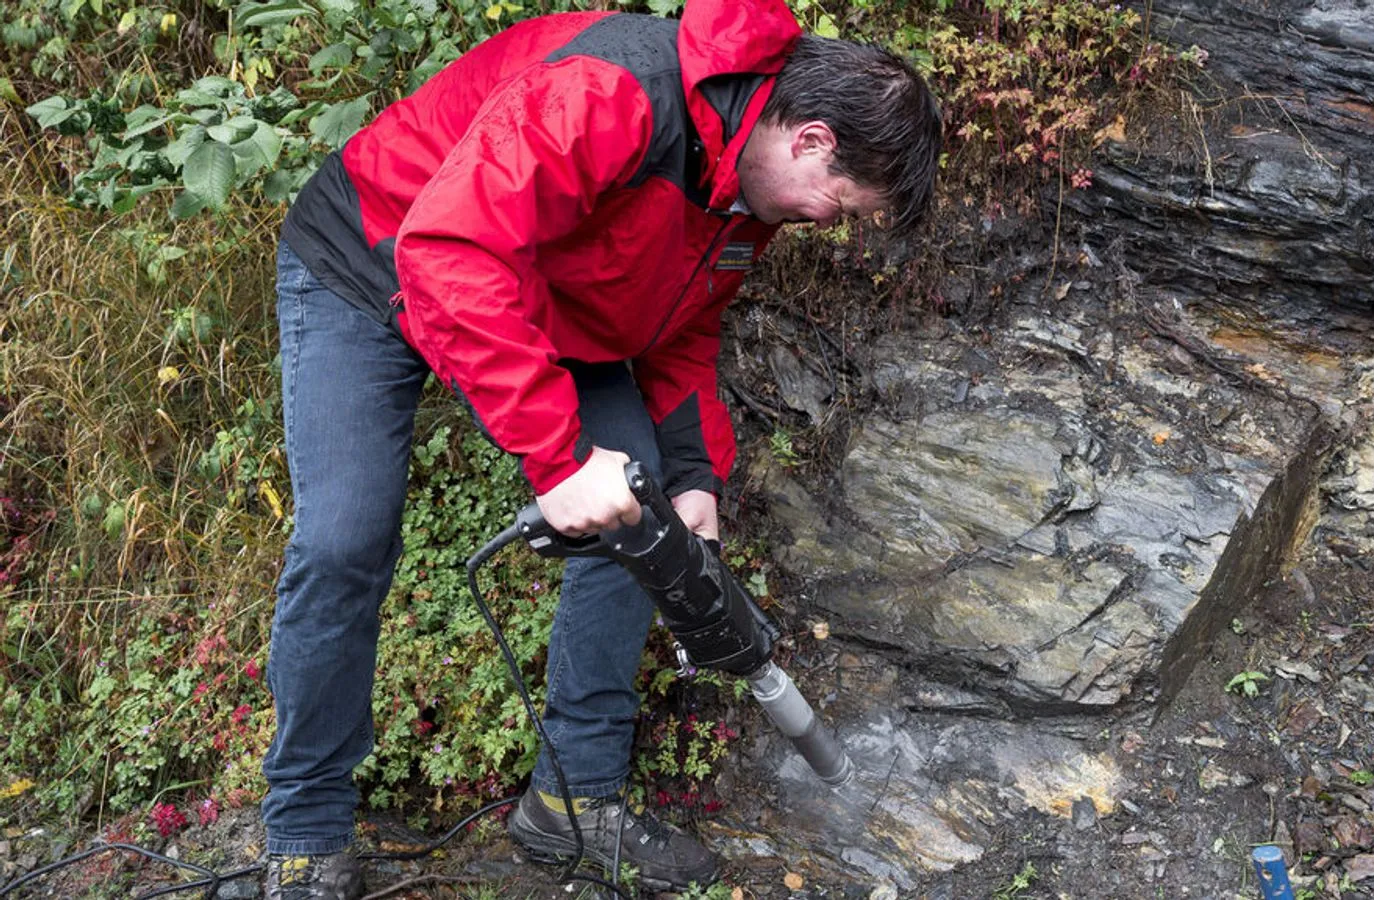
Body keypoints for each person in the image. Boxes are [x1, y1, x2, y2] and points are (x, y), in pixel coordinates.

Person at [259, 0, 941, 893]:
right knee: (346, 536)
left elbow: (675, 326)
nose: (830, 221)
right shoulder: (615, 89)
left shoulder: (747, 192)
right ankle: (305, 830)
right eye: (842, 204)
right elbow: (452, 248)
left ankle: (570, 803)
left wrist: (695, 480)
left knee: (644, 503)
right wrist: (556, 463)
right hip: (376, 250)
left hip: (529, 283)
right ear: (811, 139)